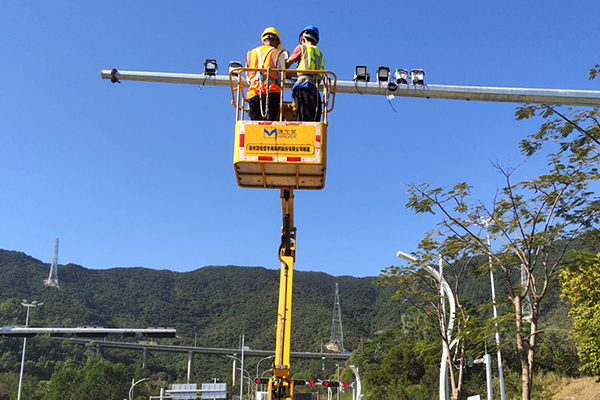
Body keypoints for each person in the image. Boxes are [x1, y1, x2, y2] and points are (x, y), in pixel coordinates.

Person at [286, 25, 325, 122]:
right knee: (313, 122)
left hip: (303, 88)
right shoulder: (320, 55)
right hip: (315, 92)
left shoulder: (301, 48)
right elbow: (309, 71)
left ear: (303, 38)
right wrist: (292, 74)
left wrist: (281, 69)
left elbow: (289, 62)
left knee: (303, 120)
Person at [246, 27, 286, 121]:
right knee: (269, 128)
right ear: (276, 42)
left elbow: (248, 77)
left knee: (256, 126)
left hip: (254, 93)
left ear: (264, 41)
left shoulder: (251, 53)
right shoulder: (278, 53)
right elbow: (281, 77)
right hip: (271, 92)